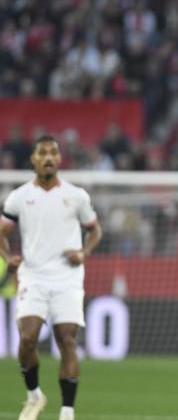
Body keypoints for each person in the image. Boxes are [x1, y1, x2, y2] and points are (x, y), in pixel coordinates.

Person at [0, 135, 103, 420]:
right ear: (33, 160)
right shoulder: (19, 197)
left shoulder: (76, 196)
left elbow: (95, 230)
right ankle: (34, 395)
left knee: (67, 340)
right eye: (42, 153)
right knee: (28, 338)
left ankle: (67, 412)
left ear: (59, 159)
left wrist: (84, 252)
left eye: (53, 153)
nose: (48, 157)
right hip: (32, 276)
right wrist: (9, 258)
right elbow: (2, 232)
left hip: (68, 278)